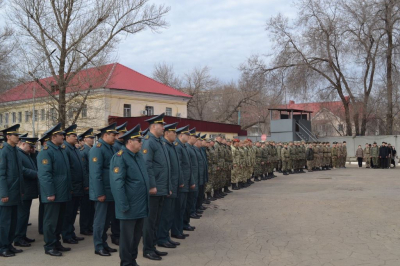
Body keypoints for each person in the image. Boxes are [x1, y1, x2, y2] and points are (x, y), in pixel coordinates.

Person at [109, 124, 149, 266]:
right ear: (130, 142)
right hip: (128, 206)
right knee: (127, 238)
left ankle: (133, 260)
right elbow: (117, 184)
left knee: (136, 236)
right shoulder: (120, 157)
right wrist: (122, 205)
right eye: (139, 140)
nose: (141, 142)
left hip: (140, 204)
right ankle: (126, 262)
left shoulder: (138, 156)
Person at [38, 123, 72, 256]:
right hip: (53, 193)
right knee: (50, 221)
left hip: (62, 192)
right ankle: (50, 246)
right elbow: (45, 175)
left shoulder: (60, 150)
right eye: (60, 135)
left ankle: (57, 242)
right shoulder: (46, 152)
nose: (63, 137)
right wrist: (50, 193)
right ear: (53, 137)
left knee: (59, 220)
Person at [141, 113, 171, 261]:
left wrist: (167, 186)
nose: (164, 128)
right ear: (153, 126)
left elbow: (166, 167)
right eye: (162, 125)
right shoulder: (148, 141)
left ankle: (153, 247)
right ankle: (147, 249)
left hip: (161, 187)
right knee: (150, 220)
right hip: (154, 188)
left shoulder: (159, 141)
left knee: (156, 219)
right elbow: (147, 166)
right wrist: (152, 185)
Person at [89, 123, 119, 256]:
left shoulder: (110, 148)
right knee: (100, 221)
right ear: (105, 135)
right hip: (102, 192)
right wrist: (99, 193)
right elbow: (95, 174)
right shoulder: (98, 149)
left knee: (107, 220)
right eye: (113, 135)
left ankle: (104, 243)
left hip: (110, 190)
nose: (115, 137)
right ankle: (98, 246)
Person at [0, 124, 24, 257]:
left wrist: (21, 190)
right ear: (8, 136)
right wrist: (3, 193)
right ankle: (2, 247)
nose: (18, 137)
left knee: (13, 221)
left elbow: (19, 173)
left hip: (15, 192)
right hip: (7, 193)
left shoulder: (15, 150)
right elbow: (1, 174)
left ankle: (9, 244)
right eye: (15, 135)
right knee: (4, 222)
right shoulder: (3, 150)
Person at [157, 122, 182, 249]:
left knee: (170, 213)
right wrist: (169, 186)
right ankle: (161, 238)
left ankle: (166, 236)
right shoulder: (165, 146)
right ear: (167, 133)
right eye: (174, 132)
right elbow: (166, 169)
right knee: (165, 214)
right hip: (168, 186)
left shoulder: (171, 146)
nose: (176, 135)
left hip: (173, 184)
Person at [14, 136, 38, 248]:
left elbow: (33, 164)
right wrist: (35, 174)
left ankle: (22, 235)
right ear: (23, 144)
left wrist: (33, 153)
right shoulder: (19, 154)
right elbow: (21, 170)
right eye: (30, 146)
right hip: (24, 189)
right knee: (21, 215)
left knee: (25, 214)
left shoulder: (26, 154)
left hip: (28, 190)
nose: (31, 148)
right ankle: (18, 238)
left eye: (33, 146)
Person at [172, 125, 194, 240]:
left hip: (185, 182)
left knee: (182, 208)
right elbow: (179, 166)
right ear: (181, 135)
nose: (189, 137)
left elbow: (188, 167)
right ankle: (176, 231)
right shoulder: (178, 146)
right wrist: (182, 181)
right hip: (181, 183)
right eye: (187, 135)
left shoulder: (183, 146)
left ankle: (180, 229)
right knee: (178, 208)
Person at [110, 122, 128, 246]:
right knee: (116, 214)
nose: (124, 135)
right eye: (122, 133)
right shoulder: (116, 147)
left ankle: (118, 234)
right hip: (116, 184)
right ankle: (115, 235)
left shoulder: (120, 145)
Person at [78, 128, 95, 236]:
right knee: (85, 208)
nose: (92, 140)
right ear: (84, 139)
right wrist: (86, 184)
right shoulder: (84, 151)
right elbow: (84, 170)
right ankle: (84, 227)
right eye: (90, 138)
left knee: (91, 208)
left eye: (93, 138)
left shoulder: (91, 149)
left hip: (92, 183)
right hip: (87, 184)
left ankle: (89, 226)